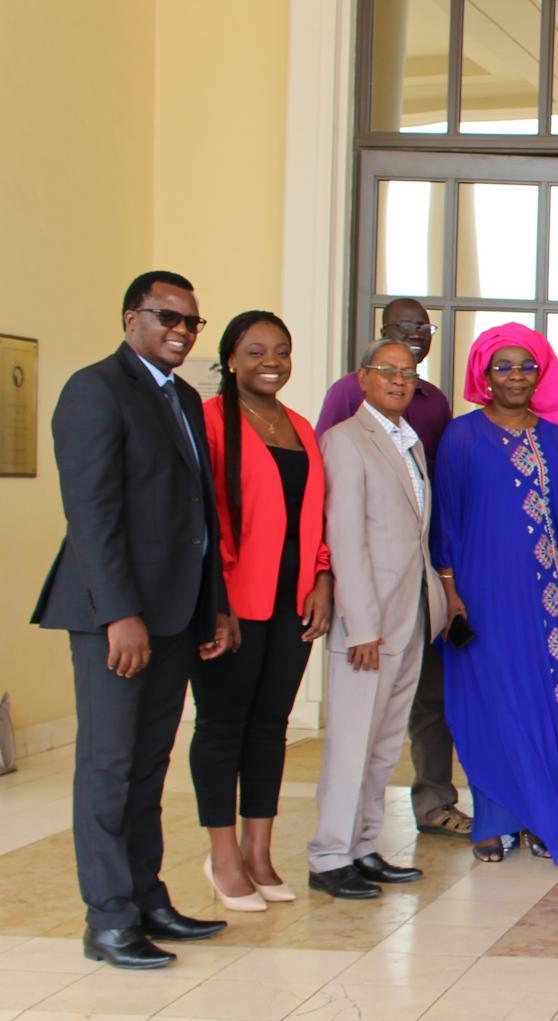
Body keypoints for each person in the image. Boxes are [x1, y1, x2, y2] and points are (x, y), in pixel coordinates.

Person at [34, 270, 237, 968]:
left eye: (191, 322)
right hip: (113, 617)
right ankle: (109, 918)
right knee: (109, 765)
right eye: (166, 317)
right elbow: (92, 515)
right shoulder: (95, 390)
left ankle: (147, 897)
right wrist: (120, 613)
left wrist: (213, 604)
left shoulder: (183, 396)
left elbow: (197, 518)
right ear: (131, 317)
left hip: (176, 613)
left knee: (150, 766)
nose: (180, 330)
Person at [433, 323, 558, 865]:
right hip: (483, 594)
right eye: (503, 367)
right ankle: (493, 818)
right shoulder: (462, 436)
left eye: (526, 366)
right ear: (484, 374)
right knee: (490, 701)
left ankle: (543, 816)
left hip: (549, 596)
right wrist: (451, 595)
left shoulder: (553, 438)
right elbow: (446, 523)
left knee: (549, 702)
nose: (516, 376)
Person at [193, 311, 333, 912]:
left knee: (271, 726)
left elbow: (317, 515)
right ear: (229, 359)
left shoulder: (300, 426)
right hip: (232, 601)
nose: (270, 362)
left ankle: (258, 852)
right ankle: (222, 857)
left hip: (292, 598)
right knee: (223, 725)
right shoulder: (209, 422)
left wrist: (323, 576)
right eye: (254, 352)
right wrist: (215, 604)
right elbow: (204, 519)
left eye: (281, 350)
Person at [313, 300, 466, 840]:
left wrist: (439, 602)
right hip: (369, 618)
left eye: (408, 373)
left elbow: (420, 527)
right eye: (389, 371)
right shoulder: (344, 435)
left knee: (382, 746)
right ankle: (333, 853)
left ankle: (366, 845)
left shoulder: (411, 443)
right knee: (355, 741)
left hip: (413, 613)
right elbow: (344, 534)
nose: (401, 380)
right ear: (364, 378)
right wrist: (360, 624)